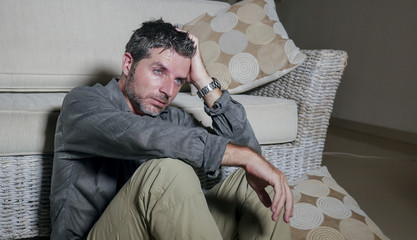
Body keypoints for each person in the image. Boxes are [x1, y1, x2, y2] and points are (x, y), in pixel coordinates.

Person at [50, 19, 293, 240]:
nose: (168, 90)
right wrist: (244, 156)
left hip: (157, 231)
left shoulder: (170, 117)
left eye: (178, 80)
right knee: (167, 171)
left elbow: (249, 152)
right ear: (128, 64)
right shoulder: (82, 103)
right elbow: (141, 135)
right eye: (159, 71)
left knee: (255, 182)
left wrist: (202, 80)